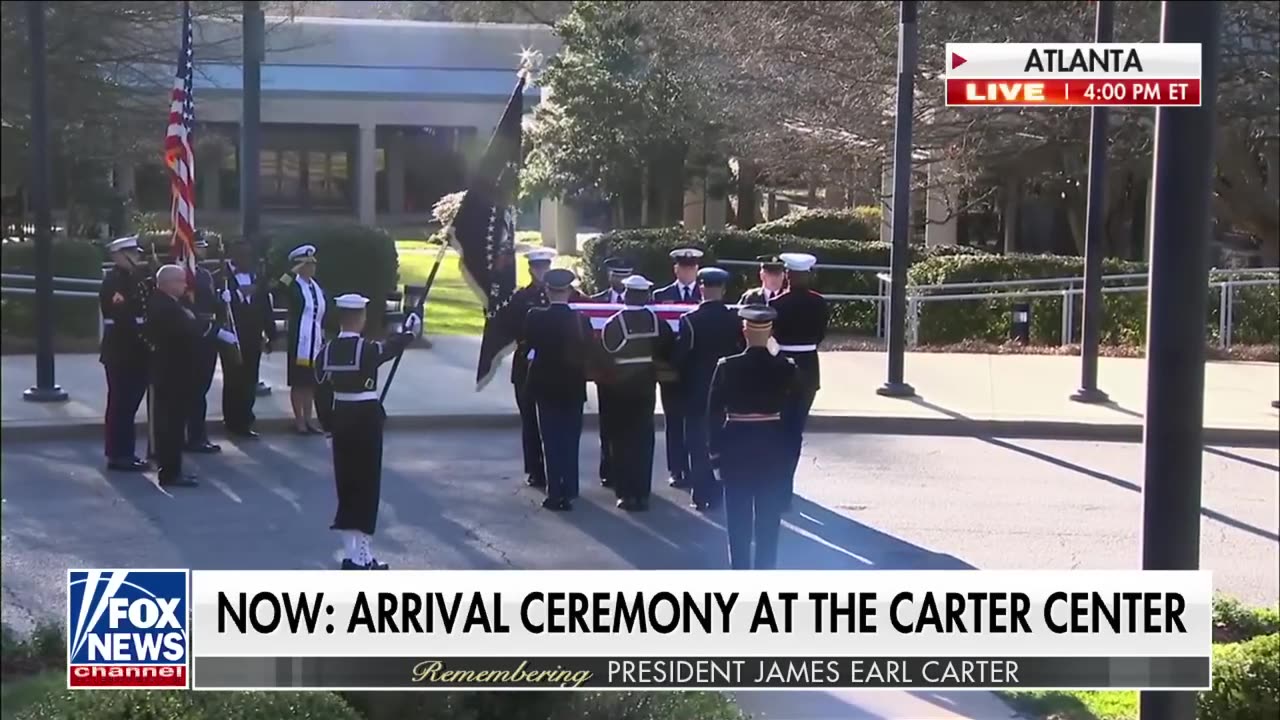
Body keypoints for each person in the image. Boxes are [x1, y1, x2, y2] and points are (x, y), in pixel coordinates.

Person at [315, 294, 419, 570]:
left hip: (341, 419)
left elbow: (321, 393)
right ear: (360, 318)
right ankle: (360, 559)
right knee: (366, 487)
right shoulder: (366, 350)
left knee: (347, 487)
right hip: (365, 420)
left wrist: (328, 426)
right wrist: (409, 331)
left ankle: (354, 554)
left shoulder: (324, 352)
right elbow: (391, 348)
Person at [707, 305, 798, 569]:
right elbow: (794, 421)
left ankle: (740, 574)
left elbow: (712, 414)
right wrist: (790, 458)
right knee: (769, 524)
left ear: (744, 330)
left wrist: (715, 454)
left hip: (735, 449)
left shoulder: (726, 367)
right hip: (773, 451)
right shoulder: (786, 367)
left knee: (738, 522)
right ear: (770, 332)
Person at [146, 264, 238, 488]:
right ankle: (170, 473)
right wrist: (209, 334)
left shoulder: (175, 303)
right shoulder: (162, 305)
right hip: (171, 373)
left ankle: (173, 469)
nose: (185, 285)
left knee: (175, 425)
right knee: (170, 426)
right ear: (167, 283)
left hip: (179, 373)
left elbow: (194, 325)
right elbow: (186, 333)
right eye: (180, 281)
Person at [600, 275, 675, 511]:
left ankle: (625, 493)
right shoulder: (658, 323)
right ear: (646, 295)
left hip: (619, 390)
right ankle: (642, 492)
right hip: (646, 388)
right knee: (643, 440)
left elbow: (605, 354)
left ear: (626, 294)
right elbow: (668, 351)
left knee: (622, 442)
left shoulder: (613, 323)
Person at [673, 267, 744, 512]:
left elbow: (681, 358)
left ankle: (701, 492)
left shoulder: (690, 321)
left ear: (701, 288)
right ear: (723, 290)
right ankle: (725, 489)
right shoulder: (735, 320)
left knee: (697, 442)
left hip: (698, 391)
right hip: (729, 390)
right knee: (725, 441)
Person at [524, 268, 596, 511]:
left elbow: (529, 344)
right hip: (573, 385)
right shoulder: (581, 320)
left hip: (545, 386)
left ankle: (556, 491)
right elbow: (588, 350)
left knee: (551, 439)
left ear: (547, 290)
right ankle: (571, 487)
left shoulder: (535, 316)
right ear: (569, 291)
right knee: (570, 439)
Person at [770, 252, 829, 512]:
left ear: (788, 275)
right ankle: (786, 489)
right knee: (795, 430)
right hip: (808, 367)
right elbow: (820, 336)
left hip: (782, 366)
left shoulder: (778, 302)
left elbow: (773, 333)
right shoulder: (819, 303)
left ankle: (777, 488)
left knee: (780, 431)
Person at [98, 235, 151, 472]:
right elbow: (122, 317)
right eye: (133, 254)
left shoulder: (134, 279)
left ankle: (125, 452)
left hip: (136, 350)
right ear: (119, 256)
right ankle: (119, 454)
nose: (137, 258)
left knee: (129, 405)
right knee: (121, 404)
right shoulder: (115, 282)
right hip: (121, 350)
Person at [652, 246, 703, 489]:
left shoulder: (705, 297)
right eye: (684, 267)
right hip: (670, 370)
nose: (688, 271)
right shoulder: (661, 296)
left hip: (696, 370)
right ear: (676, 269)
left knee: (696, 422)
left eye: (692, 267)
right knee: (674, 421)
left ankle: (697, 468)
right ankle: (677, 469)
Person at [507, 248, 556, 488]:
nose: (542, 272)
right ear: (531, 270)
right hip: (526, 364)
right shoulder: (521, 297)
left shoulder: (557, 295)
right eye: (538, 268)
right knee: (529, 421)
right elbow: (514, 328)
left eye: (545, 267)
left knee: (550, 421)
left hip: (550, 365)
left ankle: (553, 467)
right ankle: (535, 469)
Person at [220, 240, 278, 438]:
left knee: (250, 379)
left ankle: (246, 420)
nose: (246, 259)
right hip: (231, 338)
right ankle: (231, 419)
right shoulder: (222, 277)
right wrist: (233, 295)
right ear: (233, 255)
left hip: (253, 337)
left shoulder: (257, 277)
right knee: (233, 379)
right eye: (242, 255)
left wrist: (271, 335)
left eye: (248, 255)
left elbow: (266, 309)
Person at [590, 256, 632, 488]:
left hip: (632, 378)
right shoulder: (597, 302)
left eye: (625, 275)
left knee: (628, 428)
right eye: (617, 275)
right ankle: (608, 468)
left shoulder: (641, 302)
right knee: (607, 426)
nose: (621, 280)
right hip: (606, 376)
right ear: (609, 277)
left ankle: (626, 469)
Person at [281, 244, 328, 435]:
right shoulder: (294, 285)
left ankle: (309, 419)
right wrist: (293, 272)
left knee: (310, 383)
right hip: (299, 340)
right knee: (298, 382)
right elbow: (280, 286)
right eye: (307, 265)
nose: (312, 268)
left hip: (314, 341)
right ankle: (299, 420)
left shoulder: (315, 287)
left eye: (313, 264)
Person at [184, 233, 223, 454]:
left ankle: (198, 435)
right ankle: (192, 436)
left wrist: (222, 298)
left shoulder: (205, 274)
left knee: (201, 388)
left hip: (208, 335)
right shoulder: (185, 274)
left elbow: (211, 304)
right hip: (192, 335)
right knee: (193, 390)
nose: (204, 250)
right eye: (200, 247)